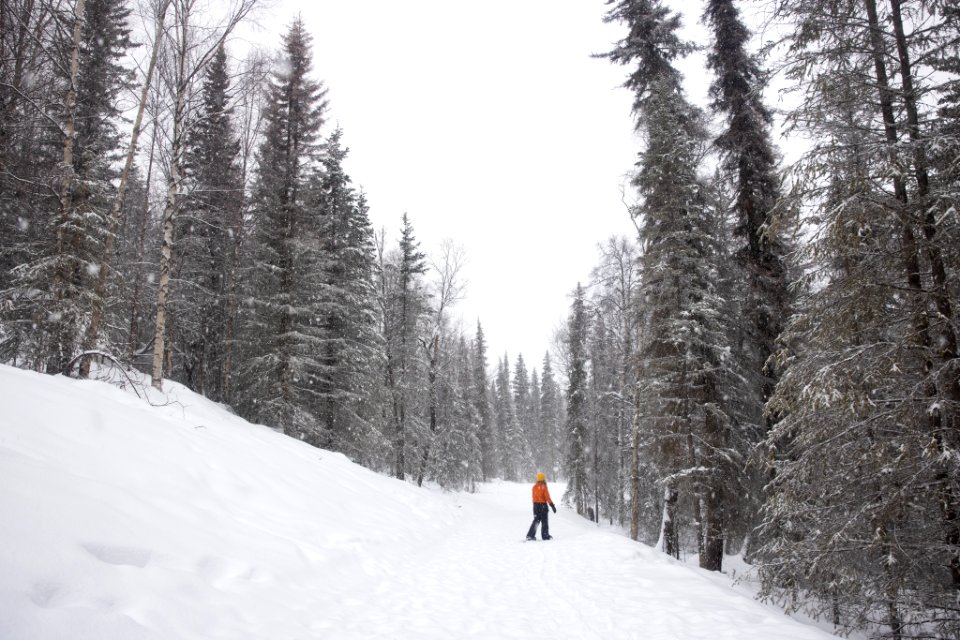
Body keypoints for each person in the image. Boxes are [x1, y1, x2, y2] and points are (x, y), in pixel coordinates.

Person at [526, 472, 556, 541]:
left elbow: (534, 497)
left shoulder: (534, 487)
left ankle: (530, 535)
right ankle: (545, 536)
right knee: (544, 521)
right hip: (543, 506)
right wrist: (552, 506)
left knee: (536, 521)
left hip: (535, 506)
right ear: (543, 479)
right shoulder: (543, 487)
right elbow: (547, 497)